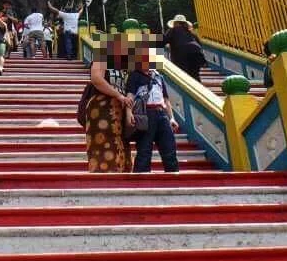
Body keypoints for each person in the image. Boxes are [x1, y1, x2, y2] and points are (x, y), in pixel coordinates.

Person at [125, 40, 180, 173]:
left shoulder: (158, 76)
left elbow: (166, 99)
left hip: (161, 114)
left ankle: (173, 179)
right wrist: (128, 113)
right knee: (144, 150)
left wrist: (171, 118)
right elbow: (130, 96)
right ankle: (140, 183)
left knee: (169, 148)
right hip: (145, 114)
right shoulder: (134, 76)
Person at [85, 34, 133, 172]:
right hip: (101, 108)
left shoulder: (122, 67)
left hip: (119, 110)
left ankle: (122, 174)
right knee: (103, 145)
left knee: (120, 144)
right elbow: (96, 79)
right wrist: (118, 95)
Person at [164, 14, 206, 81]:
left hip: (182, 54)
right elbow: (200, 45)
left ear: (176, 23)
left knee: (183, 75)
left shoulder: (173, 30)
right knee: (194, 75)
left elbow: (161, 41)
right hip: (197, 54)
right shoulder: (192, 33)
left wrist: (143, 39)